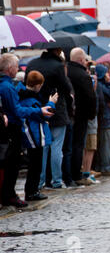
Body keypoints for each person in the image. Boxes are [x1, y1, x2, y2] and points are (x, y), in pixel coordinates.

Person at [0, 54, 54, 207]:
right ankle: (9, 195)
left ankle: (9, 194)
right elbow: (17, 110)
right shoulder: (7, 87)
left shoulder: (9, 85)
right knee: (12, 164)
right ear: (10, 68)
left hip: (9, 127)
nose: (17, 69)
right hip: (12, 129)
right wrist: (39, 111)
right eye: (16, 66)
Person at [26, 47, 73, 190]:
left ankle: (40, 182)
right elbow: (66, 88)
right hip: (57, 110)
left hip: (38, 109)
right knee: (56, 148)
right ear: (58, 51)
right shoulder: (58, 66)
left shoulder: (32, 63)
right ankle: (56, 181)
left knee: (43, 148)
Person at [18, 71, 58, 201]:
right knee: (35, 164)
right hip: (34, 135)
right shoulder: (30, 100)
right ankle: (32, 191)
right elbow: (44, 113)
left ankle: (32, 190)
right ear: (38, 85)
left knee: (35, 164)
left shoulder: (22, 93)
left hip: (31, 133)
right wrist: (51, 102)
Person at [67, 48, 97, 186]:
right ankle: (76, 174)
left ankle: (66, 174)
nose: (86, 62)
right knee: (78, 145)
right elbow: (90, 97)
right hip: (81, 115)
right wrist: (91, 114)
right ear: (80, 60)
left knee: (67, 146)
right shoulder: (83, 75)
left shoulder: (66, 72)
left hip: (68, 114)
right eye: (85, 60)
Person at [95, 64, 110, 176]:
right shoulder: (101, 85)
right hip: (105, 118)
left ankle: (106, 166)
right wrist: (109, 82)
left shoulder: (100, 84)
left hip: (105, 117)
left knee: (106, 143)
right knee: (108, 144)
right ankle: (107, 167)